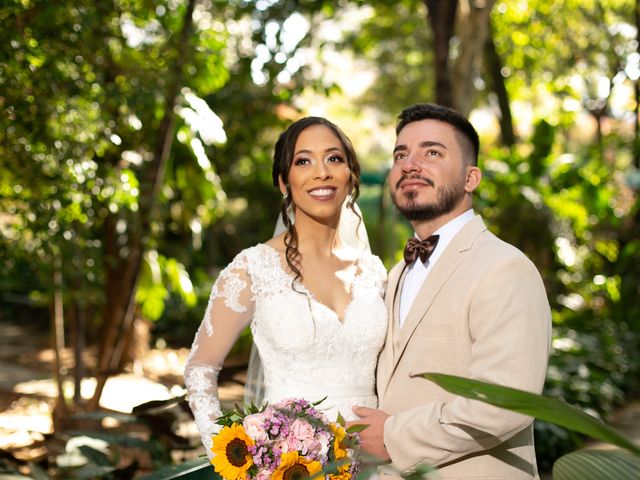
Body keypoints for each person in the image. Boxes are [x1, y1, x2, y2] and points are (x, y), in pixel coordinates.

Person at [350, 103, 552, 479]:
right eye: (401, 154)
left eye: (432, 152)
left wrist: (393, 436)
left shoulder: (505, 268)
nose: (410, 164)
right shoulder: (395, 274)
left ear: (471, 178)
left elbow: (504, 404)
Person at [183, 116, 388, 458]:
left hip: (374, 461)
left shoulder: (375, 272)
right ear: (283, 182)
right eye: (303, 161)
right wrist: (231, 458)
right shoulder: (252, 269)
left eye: (334, 159)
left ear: (351, 175)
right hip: (289, 466)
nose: (321, 172)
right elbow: (200, 369)